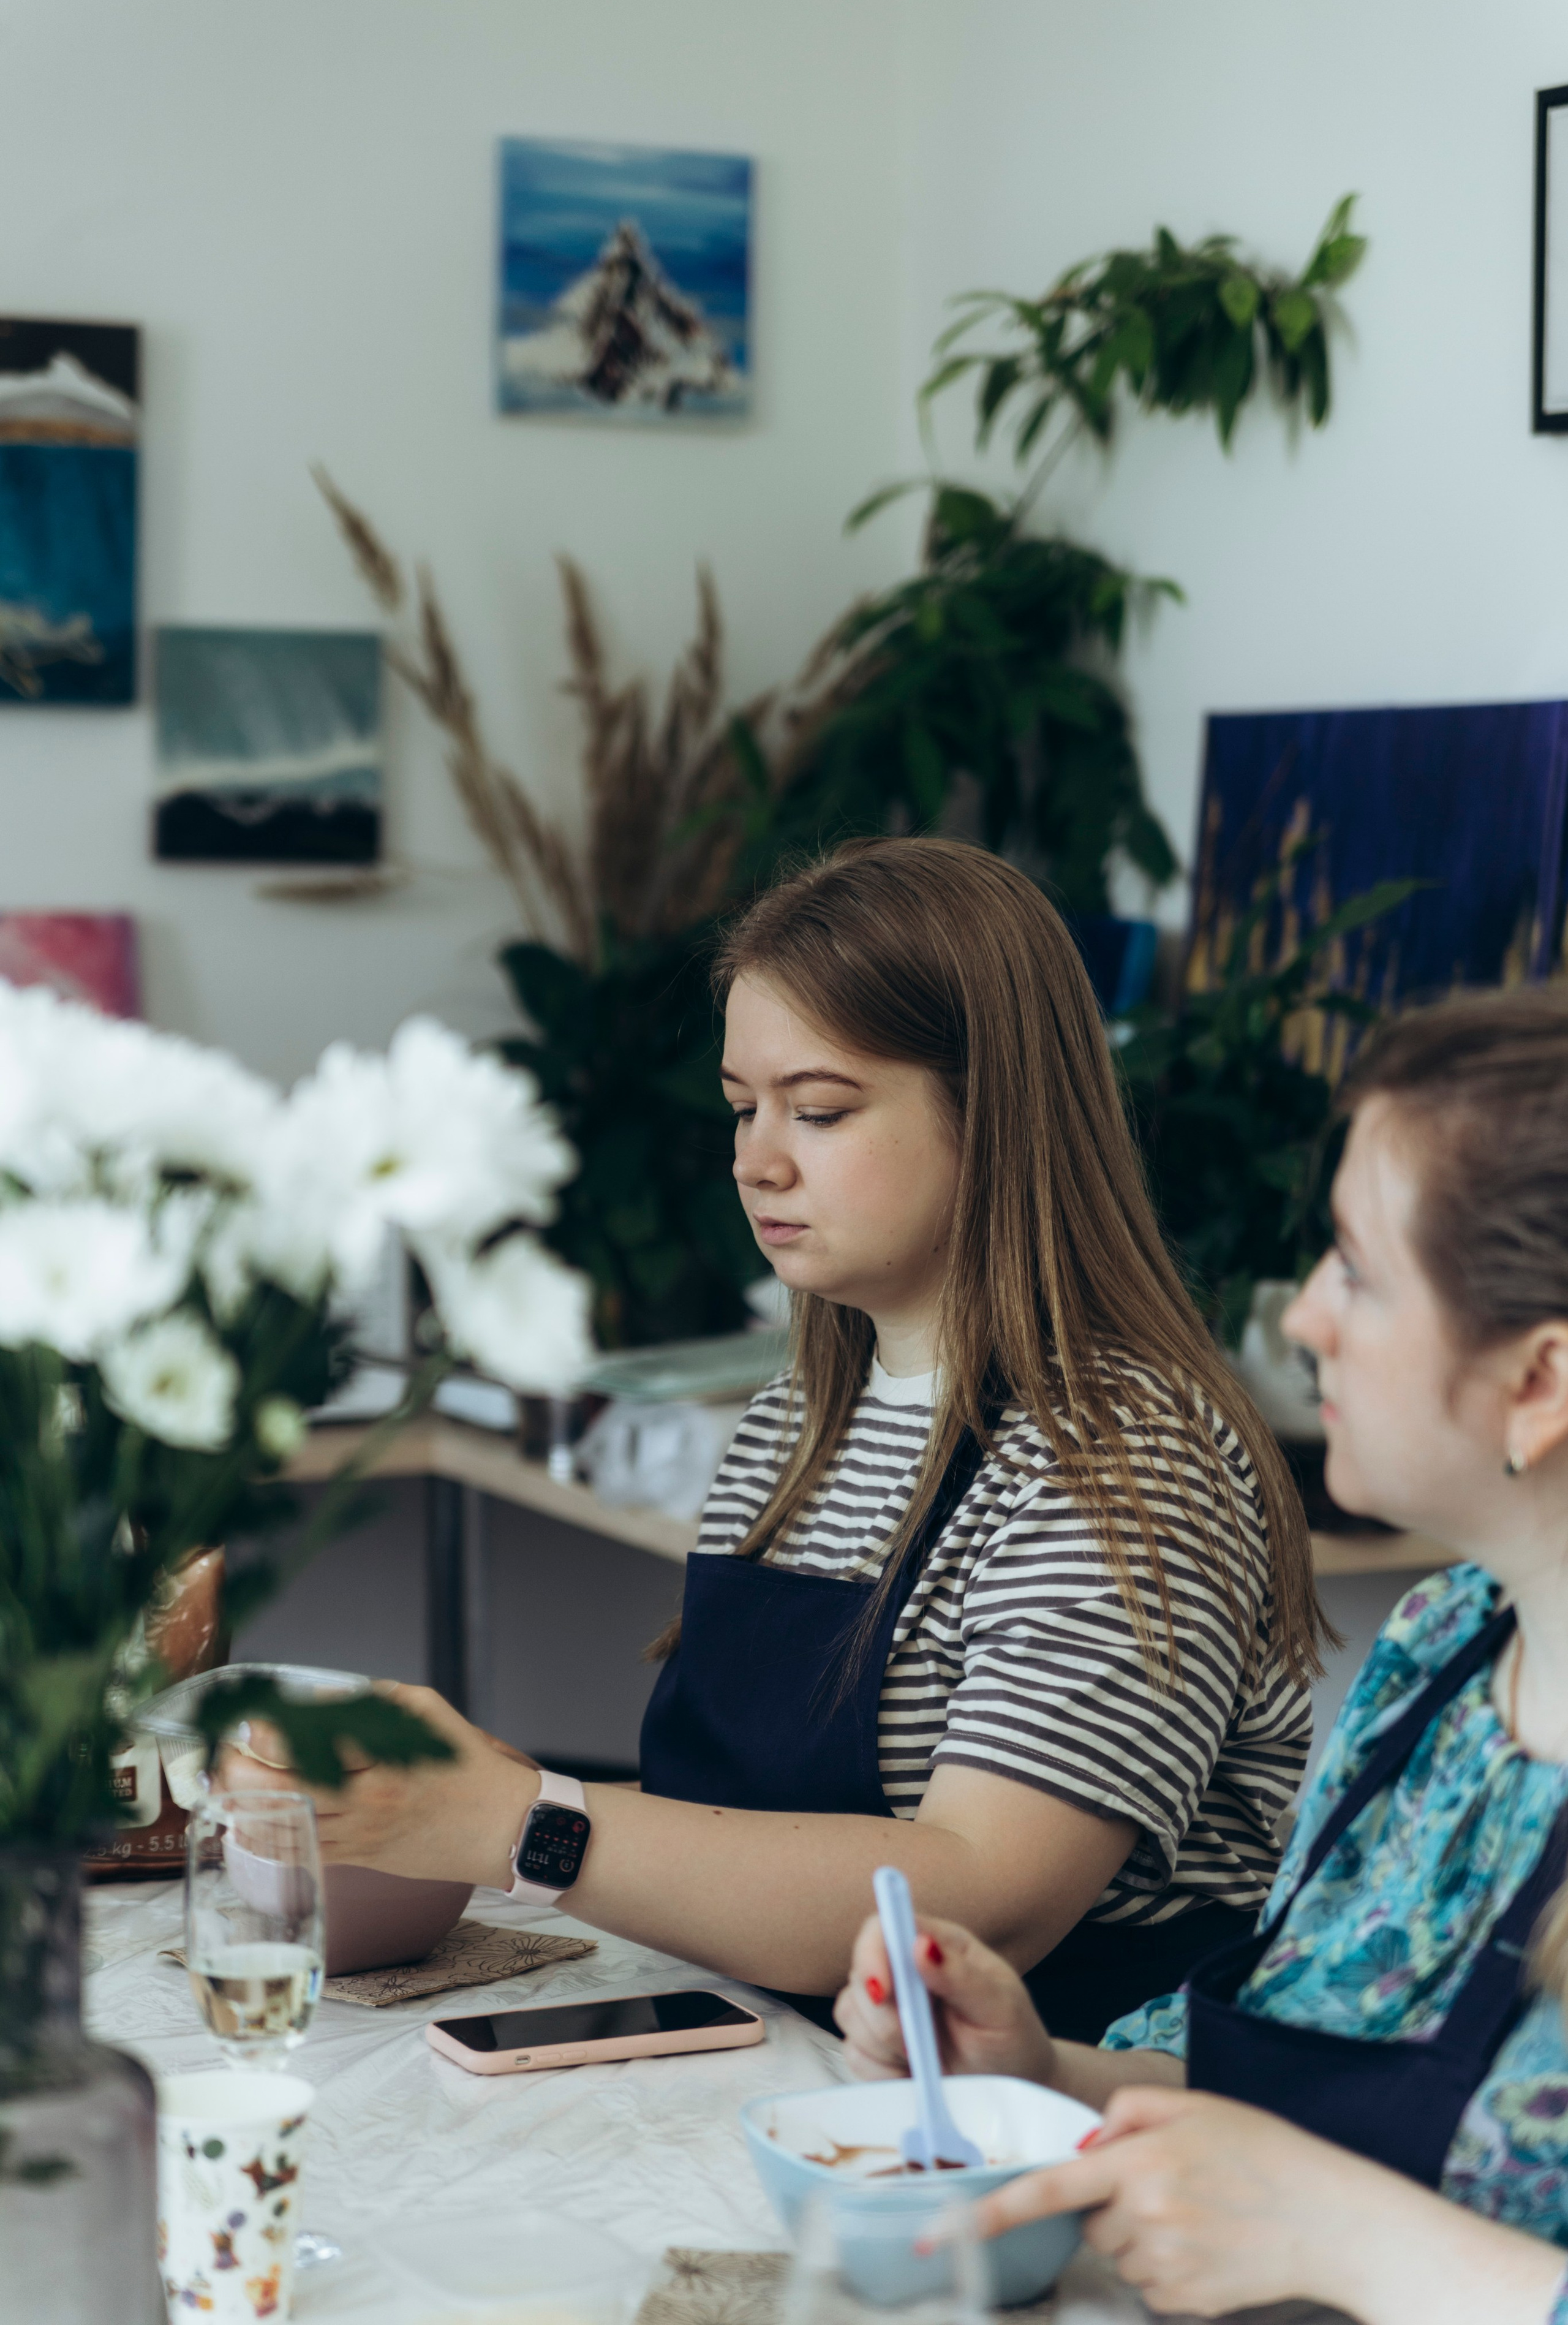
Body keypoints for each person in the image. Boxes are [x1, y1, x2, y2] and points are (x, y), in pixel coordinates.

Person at [227, 837, 1321, 2033]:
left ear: (994, 1110)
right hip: (768, 2053)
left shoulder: (1118, 1463)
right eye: (743, 1108)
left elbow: (986, 1908)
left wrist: (520, 1819)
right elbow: (737, 1827)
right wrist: (445, 1799)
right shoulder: (795, 1424)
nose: (756, 1161)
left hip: (1023, 2113)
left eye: (820, 1109)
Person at [833, 984, 1568, 2319]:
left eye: (1355, 1268)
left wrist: (1350, 2242)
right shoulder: (1441, 1655)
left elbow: (1338, 2199)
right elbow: (1285, 2061)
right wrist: (1043, 2076)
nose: (1301, 1321)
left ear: (1536, 1382)